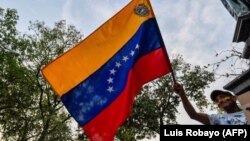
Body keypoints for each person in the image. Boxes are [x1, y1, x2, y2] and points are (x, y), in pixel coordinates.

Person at [172, 82, 248, 125]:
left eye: (222, 97)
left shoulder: (247, 110)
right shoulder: (218, 119)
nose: (220, 101)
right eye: (217, 100)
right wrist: (182, 95)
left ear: (234, 98)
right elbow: (193, 115)